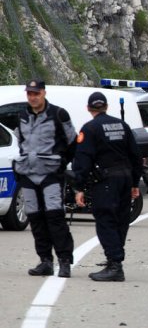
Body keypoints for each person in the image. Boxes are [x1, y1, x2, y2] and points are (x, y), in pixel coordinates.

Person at [72, 92, 143, 282]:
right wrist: (135, 183)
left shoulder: (90, 128)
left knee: (105, 221)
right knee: (121, 220)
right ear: (106, 107)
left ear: (89, 108)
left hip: (106, 182)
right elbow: (136, 155)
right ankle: (115, 259)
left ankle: (115, 265)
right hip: (125, 178)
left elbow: (83, 160)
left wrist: (79, 187)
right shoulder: (122, 125)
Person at [13, 79, 77, 278]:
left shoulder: (59, 114)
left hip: (51, 174)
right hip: (28, 174)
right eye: (29, 93)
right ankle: (45, 261)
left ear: (44, 93)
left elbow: (73, 141)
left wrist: (61, 162)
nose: (32, 97)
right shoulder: (22, 115)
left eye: (36, 93)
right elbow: (21, 140)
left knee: (55, 217)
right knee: (35, 219)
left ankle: (64, 261)